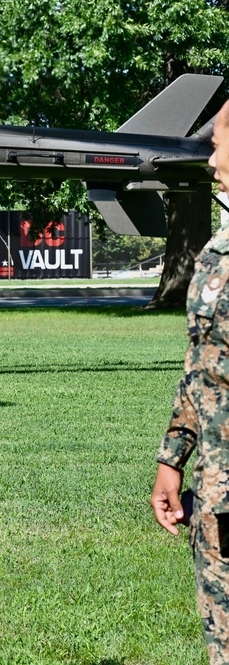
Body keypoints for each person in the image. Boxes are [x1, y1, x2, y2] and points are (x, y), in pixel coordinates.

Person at [151, 99, 229, 665]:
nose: (210, 157)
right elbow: (203, 368)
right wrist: (172, 458)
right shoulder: (217, 254)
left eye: (220, 141)